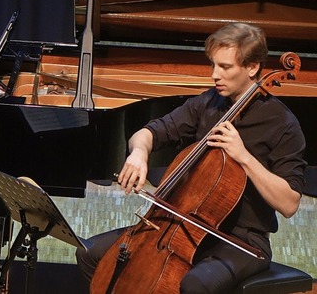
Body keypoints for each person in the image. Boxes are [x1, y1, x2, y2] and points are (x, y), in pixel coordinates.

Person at [75, 23, 306, 293]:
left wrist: (244, 157)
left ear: (252, 67)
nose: (214, 75)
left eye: (225, 67)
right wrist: (139, 153)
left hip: (240, 241)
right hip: (179, 224)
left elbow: (289, 203)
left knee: (195, 284)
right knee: (91, 254)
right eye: (213, 65)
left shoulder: (283, 124)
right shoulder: (208, 103)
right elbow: (148, 133)